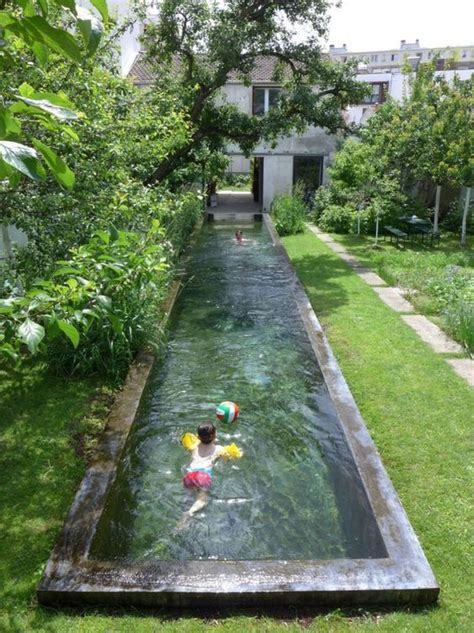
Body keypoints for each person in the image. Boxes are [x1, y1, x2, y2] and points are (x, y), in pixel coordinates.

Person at [178, 422, 242, 528]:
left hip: (189, 475)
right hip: (203, 475)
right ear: (215, 435)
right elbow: (229, 457)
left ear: (198, 437)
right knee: (202, 500)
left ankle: (186, 508)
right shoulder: (219, 449)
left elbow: (185, 443)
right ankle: (190, 513)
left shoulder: (194, 446)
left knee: (189, 496)